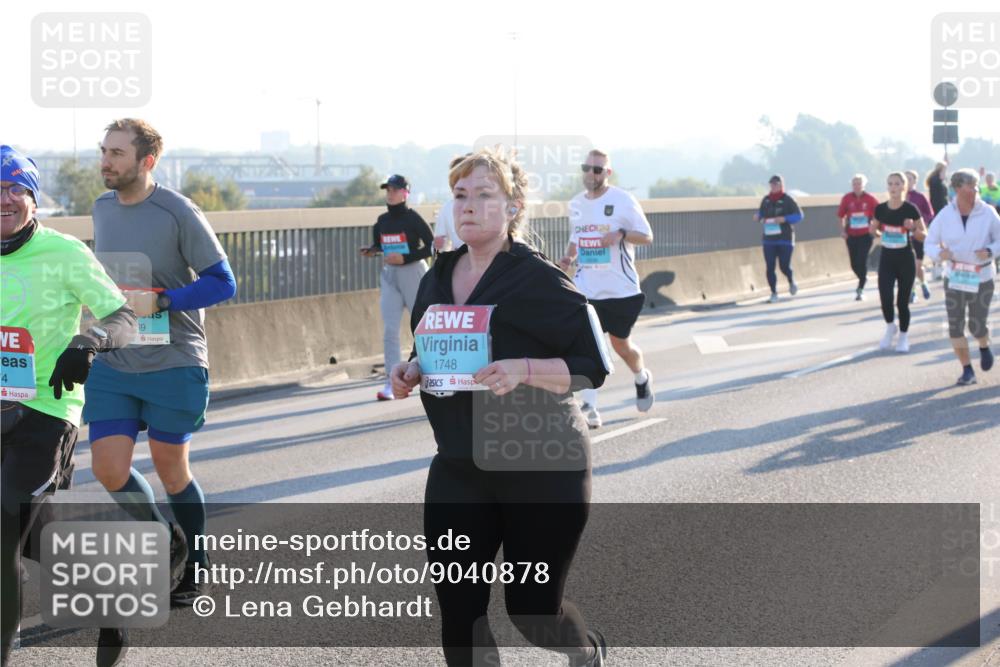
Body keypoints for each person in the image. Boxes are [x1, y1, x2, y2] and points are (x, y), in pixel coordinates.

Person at [391, 148, 609, 667]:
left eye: (484, 195)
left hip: (541, 464)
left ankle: (585, 651)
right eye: (460, 195)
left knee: (533, 612)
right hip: (460, 467)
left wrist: (524, 370)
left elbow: (593, 365)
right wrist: (411, 369)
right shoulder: (437, 277)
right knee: (460, 614)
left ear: (512, 207)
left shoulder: (537, 278)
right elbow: (432, 348)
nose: (468, 206)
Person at [85, 118, 237, 639]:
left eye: (117, 154)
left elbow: (223, 282)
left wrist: (166, 300)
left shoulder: (177, 210)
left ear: (147, 161)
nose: (106, 161)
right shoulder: (101, 209)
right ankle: (161, 534)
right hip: (116, 359)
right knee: (108, 470)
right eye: (103, 151)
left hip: (174, 360)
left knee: (172, 470)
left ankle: (196, 562)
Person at [1, 145, 138, 667]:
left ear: (34, 199)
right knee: (30, 536)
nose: (5, 199)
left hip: (45, 413)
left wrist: (90, 342)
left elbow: (124, 315)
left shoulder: (64, 253)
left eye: (17, 188)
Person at [557, 149, 655, 428]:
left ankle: (641, 376)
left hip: (621, 289)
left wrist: (621, 234)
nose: (591, 173)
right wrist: (568, 258)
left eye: (597, 169)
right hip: (587, 288)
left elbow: (647, 236)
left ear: (607, 173)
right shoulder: (576, 204)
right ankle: (589, 407)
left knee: (620, 345)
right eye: (586, 168)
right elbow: (576, 238)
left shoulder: (623, 200)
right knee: (591, 346)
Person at [359, 174, 434, 400]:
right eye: (387, 190)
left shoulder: (413, 219)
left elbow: (432, 247)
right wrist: (372, 251)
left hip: (413, 273)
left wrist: (406, 258)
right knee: (390, 330)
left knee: (422, 326)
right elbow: (381, 245)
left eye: (394, 189)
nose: (389, 193)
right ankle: (392, 383)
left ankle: (430, 372)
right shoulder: (381, 221)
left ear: (405, 193)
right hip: (390, 276)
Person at [925, 168, 1000, 386]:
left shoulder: (987, 213)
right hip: (956, 276)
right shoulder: (945, 215)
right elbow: (929, 242)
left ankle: (984, 344)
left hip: (982, 275)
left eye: (976, 185)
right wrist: (940, 254)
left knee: (977, 325)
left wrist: (990, 250)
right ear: (958, 188)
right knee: (955, 325)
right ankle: (967, 369)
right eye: (971, 185)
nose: (975, 189)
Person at [871, 172, 926, 353]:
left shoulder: (910, 209)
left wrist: (912, 228)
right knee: (885, 296)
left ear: (903, 187)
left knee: (902, 301)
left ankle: (903, 336)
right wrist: (875, 231)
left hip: (905, 259)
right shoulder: (880, 209)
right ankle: (890, 326)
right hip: (887, 258)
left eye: (896, 184)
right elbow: (875, 231)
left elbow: (923, 235)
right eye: (890, 184)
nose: (893, 187)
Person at [753, 175, 803, 303]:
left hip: (784, 239)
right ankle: (774, 293)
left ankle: (791, 281)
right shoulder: (766, 200)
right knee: (770, 266)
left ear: (781, 185)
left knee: (784, 266)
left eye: (776, 184)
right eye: (772, 184)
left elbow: (799, 216)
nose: (774, 186)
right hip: (769, 239)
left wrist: (784, 219)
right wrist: (758, 217)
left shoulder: (788, 200)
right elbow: (761, 214)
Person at [837, 175, 879, 300]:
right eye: (854, 183)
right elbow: (840, 216)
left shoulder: (870, 199)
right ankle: (863, 277)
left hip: (866, 236)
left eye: (859, 183)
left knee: (861, 259)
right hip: (851, 235)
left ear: (863, 185)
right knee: (854, 264)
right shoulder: (847, 198)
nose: (856, 185)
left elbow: (880, 213)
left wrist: (875, 228)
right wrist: (842, 231)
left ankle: (860, 287)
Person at [905, 170, 935, 298]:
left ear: (915, 181)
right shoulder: (898, 198)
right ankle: (911, 291)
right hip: (903, 237)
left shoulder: (920, 197)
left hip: (918, 235)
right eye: (905, 179)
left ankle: (923, 283)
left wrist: (920, 222)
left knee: (917, 266)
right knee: (909, 267)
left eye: (910, 179)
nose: (907, 182)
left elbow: (930, 214)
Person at [433, 155, 470, 253]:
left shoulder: (485, 204)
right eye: (454, 176)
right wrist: (437, 246)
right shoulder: (446, 208)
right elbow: (440, 246)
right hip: (461, 260)